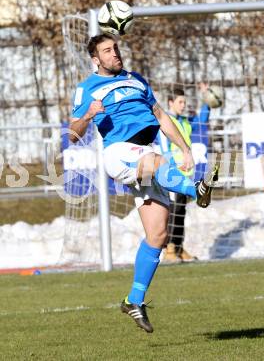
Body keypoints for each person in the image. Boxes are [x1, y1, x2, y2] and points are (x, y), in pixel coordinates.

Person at [69, 34, 212, 334]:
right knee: (157, 163)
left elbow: (161, 116)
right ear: (96, 59)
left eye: (116, 48)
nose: (114, 53)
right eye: (107, 51)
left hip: (146, 152)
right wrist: (89, 114)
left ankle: (133, 300)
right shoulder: (86, 88)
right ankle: (196, 188)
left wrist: (185, 149)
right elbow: (72, 133)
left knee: (158, 233)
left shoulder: (136, 80)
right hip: (118, 152)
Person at [156, 86, 212, 263]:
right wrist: (169, 170)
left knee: (180, 210)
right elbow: (165, 148)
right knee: (173, 211)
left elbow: (202, 119)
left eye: (185, 102)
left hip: (185, 174)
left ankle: (178, 248)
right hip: (172, 174)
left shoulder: (186, 122)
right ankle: (169, 250)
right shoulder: (165, 122)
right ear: (171, 102)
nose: (183, 105)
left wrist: (207, 99)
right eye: (180, 102)